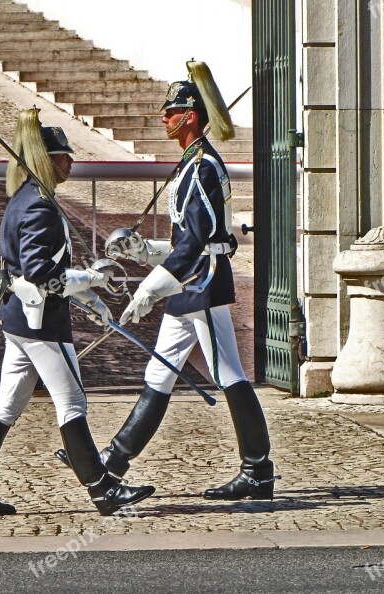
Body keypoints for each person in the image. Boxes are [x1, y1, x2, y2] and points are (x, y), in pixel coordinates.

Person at [57, 62, 276, 500]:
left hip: (201, 283)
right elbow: (186, 239)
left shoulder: (202, 168)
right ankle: (115, 463)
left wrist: (150, 286)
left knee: (228, 372)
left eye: (171, 111)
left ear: (190, 116)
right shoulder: (192, 166)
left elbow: (198, 242)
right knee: (159, 372)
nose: (164, 117)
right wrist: (144, 252)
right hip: (189, 283)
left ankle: (258, 470)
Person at [0, 109, 156, 517]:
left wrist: (93, 301)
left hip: (20, 320)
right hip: (41, 323)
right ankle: (103, 491)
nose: (71, 162)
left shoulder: (28, 199)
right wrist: (92, 278)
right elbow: (43, 274)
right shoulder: (40, 208)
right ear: (47, 159)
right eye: (64, 156)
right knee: (72, 403)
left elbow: (47, 275)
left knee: (7, 404)